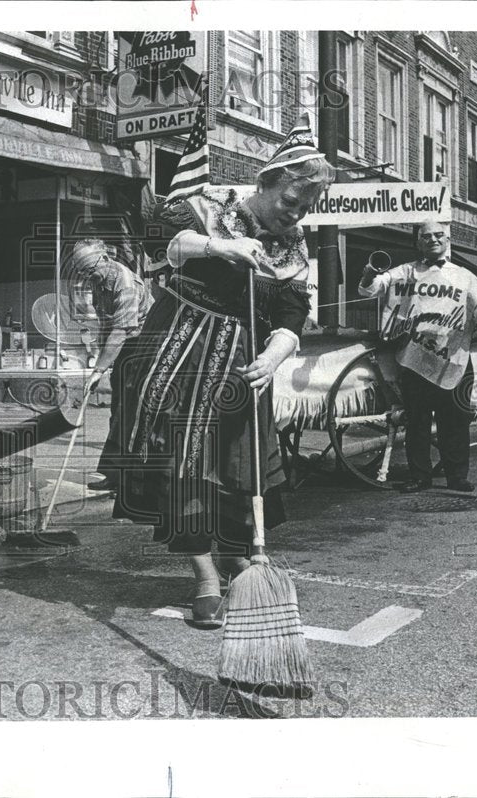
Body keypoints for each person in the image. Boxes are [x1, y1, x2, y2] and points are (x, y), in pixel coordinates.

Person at [112, 115, 335, 627]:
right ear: (266, 184)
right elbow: (157, 241)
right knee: (184, 462)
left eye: (305, 209)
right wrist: (221, 246)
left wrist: (277, 350)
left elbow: (292, 308)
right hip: (177, 350)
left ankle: (238, 558)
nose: (295, 215)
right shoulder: (208, 206)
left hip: (241, 360)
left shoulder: (294, 247)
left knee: (239, 467)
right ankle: (205, 578)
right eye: (289, 203)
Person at [359, 220, 477, 493]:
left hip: (455, 357)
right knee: (418, 421)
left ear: (448, 240)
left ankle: (457, 476)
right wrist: (368, 274)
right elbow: (372, 288)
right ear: (418, 242)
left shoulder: (465, 276)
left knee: (457, 420)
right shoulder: (405, 271)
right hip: (414, 356)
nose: (433, 240)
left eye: (439, 236)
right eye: (426, 237)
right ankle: (420, 476)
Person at [63, 239, 152, 492]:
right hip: (122, 347)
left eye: (89, 270)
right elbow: (106, 325)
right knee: (117, 410)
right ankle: (116, 476)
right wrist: (99, 361)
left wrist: (99, 370)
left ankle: (135, 481)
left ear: (103, 258)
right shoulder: (98, 280)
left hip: (143, 347)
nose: (87, 277)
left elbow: (121, 331)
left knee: (132, 412)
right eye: (81, 272)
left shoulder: (124, 282)